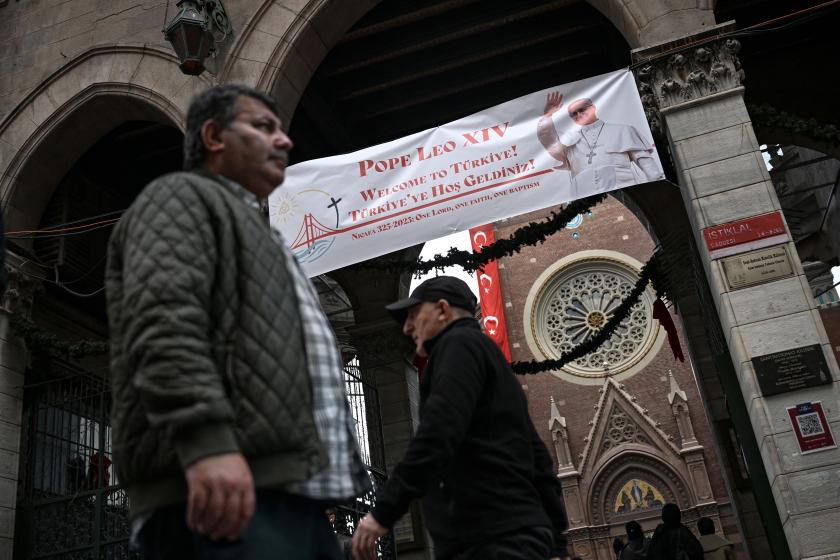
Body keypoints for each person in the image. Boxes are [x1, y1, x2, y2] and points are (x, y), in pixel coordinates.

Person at [106, 84, 370, 559]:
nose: (285, 141)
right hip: (222, 490)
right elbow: (165, 324)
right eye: (263, 127)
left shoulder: (260, 233)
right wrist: (207, 444)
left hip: (287, 492)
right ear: (213, 136)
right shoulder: (179, 198)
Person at [351, 276, 569, 560]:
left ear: (443, 310)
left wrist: (383, 511)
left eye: (414, 315)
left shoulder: (458, 345)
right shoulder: (485, 353)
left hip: (488, 537)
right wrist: (555, 542)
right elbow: (537, 456)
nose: (406, 327)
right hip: (517, 534)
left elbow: (438, 432)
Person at [537, 93, 663, 196]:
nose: (578, 115)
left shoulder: (622, 130)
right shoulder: (569, 142)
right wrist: (547, 116)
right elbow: (548, 140)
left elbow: (644, 160)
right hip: (584, 194)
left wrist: (657, 185)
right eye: (573, 114)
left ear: (593, 108)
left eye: (582, 109)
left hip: (624, 189)